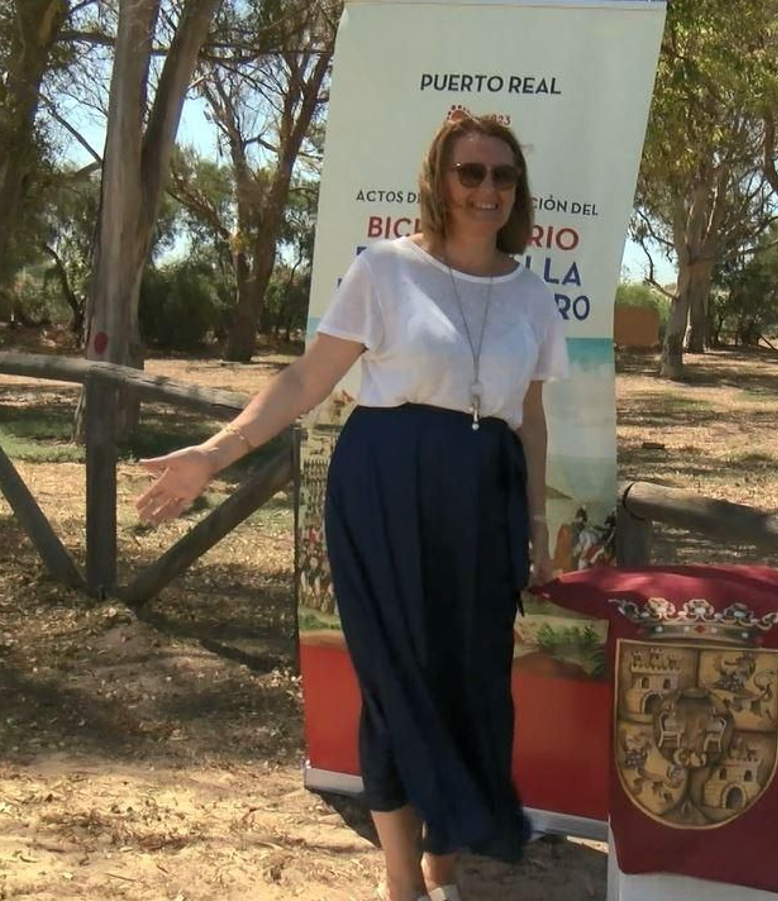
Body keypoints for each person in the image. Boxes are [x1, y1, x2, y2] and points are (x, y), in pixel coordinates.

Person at [135, 111, 567, 901]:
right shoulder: (386, 270)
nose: (487, 190)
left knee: (472, 679)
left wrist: (537, 529)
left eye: (502, 176)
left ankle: (445, 863)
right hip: (384, 487)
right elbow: (305, 380)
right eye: (470, 173)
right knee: (396, 678)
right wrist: (214, 452)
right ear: (440, 180)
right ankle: (402, 882)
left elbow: (530, 420)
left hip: (484, 498)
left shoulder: (532, 294)